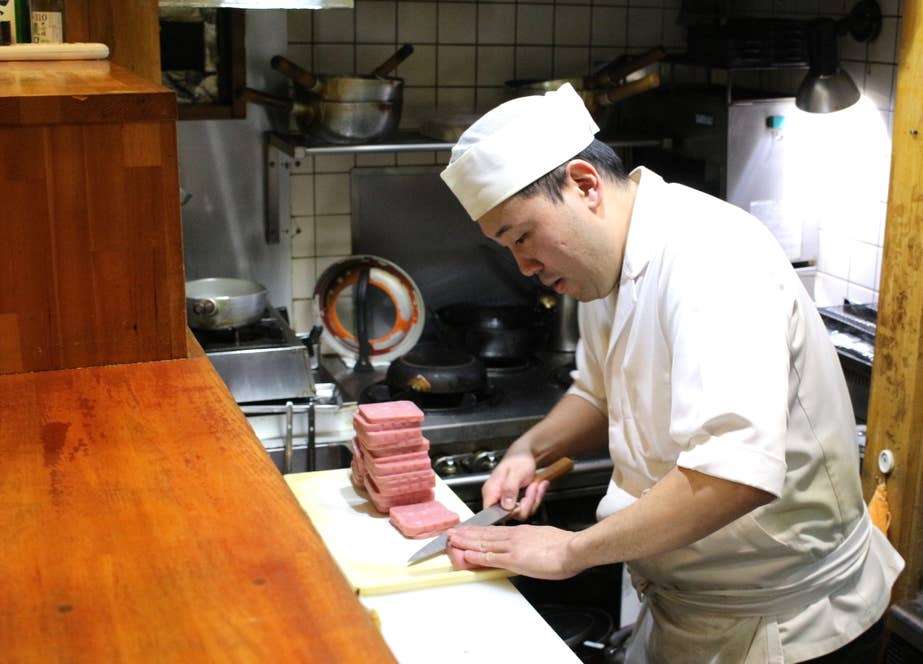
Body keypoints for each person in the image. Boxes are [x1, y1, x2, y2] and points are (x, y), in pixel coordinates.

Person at [438, 83, 904, 663]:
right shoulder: (600, 264)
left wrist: (571, 552)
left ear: (585, 186)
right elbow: (601, 391)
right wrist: (530, 449)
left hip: (790, 630)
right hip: (689, 612)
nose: (525, 267)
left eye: (523, 238)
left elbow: (734, 474)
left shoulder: (711, 258)